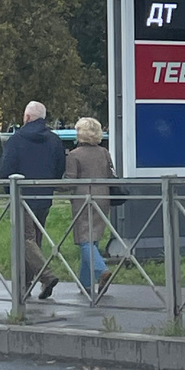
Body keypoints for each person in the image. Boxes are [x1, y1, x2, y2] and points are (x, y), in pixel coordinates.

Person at [0, 100, 65, 300]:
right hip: (44, 196)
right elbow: (60, 168)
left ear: (27, 117)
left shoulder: (16, 140)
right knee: (34, 241)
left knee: (24, 239)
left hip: (21, 195)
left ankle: (46, 276)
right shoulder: (55, 140)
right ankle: (24, 286)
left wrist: (9, 190)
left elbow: (5, 169)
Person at [64, 116, 114, 298]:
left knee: (84, 239)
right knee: (93, 239)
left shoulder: (74, 155)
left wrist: (53, 185)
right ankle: (85, 283)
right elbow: (111, 175)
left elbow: (70, 181)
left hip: (83, 200)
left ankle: (102, 270)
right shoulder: (104, 152)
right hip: (103, 198)